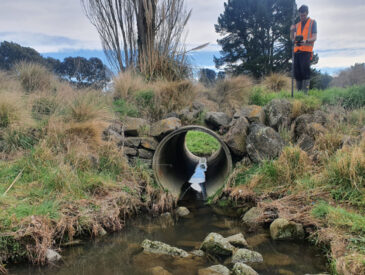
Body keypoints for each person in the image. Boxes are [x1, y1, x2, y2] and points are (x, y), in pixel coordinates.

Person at [290, 5, 317, 94]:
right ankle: (298, 94)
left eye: (304, 15)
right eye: (301, 16)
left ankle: (305, 94)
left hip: (306, 51)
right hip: (297, 52)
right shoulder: (296, 25)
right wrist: (291, 31)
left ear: (307, 13)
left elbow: (314, 37)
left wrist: (305, 41)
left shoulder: (312, 22)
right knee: (297, 74)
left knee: (305, 73)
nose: (302, 17)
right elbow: (292, 39)